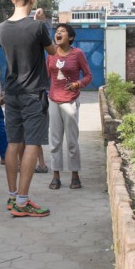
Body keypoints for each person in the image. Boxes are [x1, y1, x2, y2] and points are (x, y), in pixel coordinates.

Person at [0, 0, 56, 217]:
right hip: (33, 93)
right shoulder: (37, 27)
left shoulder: (0, 28)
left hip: (11, 93)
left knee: (13, 143)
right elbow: (52, 52)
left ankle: (13, 197)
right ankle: (22, 201)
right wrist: (42, 22)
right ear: (33, 0)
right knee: (32, 144)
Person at [47, 23, 92, 190]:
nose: (58, 33)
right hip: (53, 100)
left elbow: (88, 75)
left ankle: (75, 175)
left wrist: (77, 84)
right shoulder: (51, 54)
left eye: (62, 32)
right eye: (57, 31)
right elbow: (48, 76)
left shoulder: (77, 54)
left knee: (72, 140)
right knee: (55, 140)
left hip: (71, 101)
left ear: (70, 37)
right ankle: (55, 175)